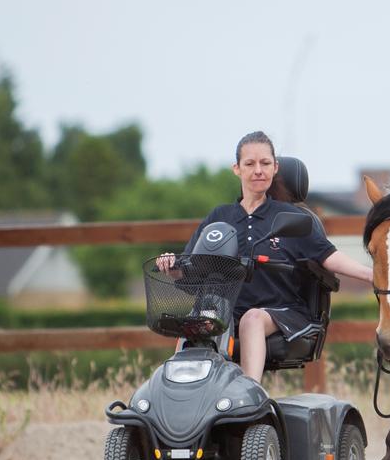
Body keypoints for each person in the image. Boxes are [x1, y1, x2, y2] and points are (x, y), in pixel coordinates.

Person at [157, 131, 372, 383]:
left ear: (275, 167)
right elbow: (193, 266)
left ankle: (251, 395)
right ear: (237, 169)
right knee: (197, 318)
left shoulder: (291, 217)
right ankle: (178, 390)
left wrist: (372, 274)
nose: (258, 170)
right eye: (250, 164)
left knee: (253, 318)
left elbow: (327, 255)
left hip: (280, 310)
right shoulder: (220, 216)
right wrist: (172, 266)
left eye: (265, 163)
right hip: (227, 312)